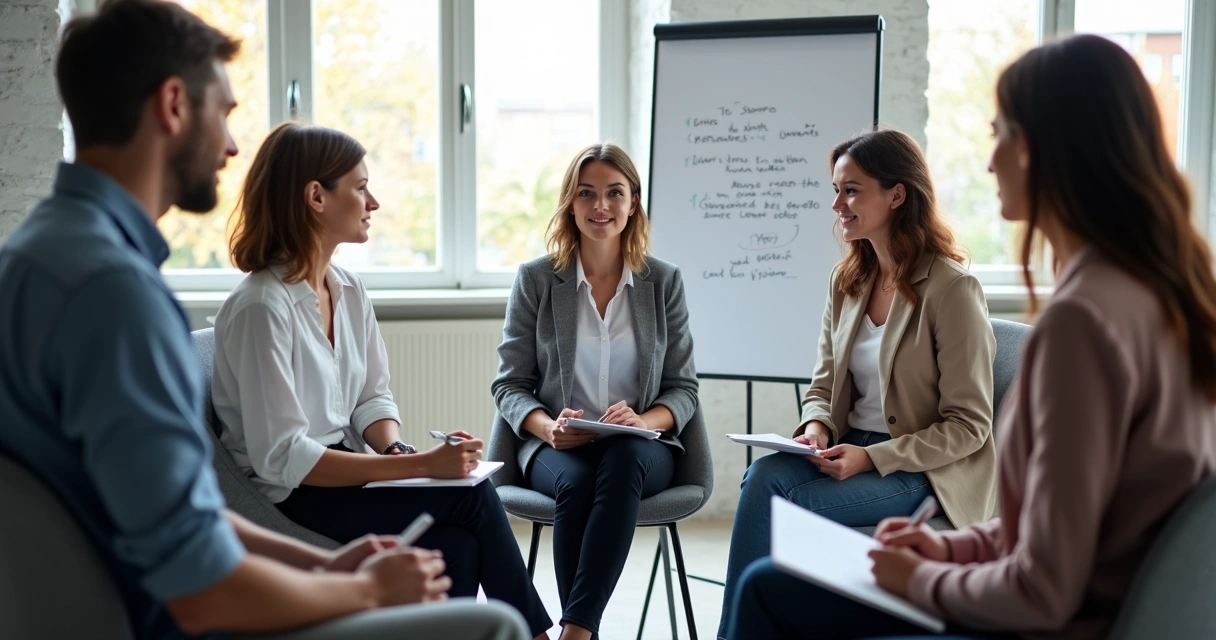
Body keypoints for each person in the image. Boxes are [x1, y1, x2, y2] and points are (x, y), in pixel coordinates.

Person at [0, 1, 529, 639]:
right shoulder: (115, 296)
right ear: (173, 105)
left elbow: (185, 516)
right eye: (223, 113)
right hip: (159, 620)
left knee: (456, 564)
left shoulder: (41, 254)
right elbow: (200, 587)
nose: (229, 146)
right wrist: (357, 588)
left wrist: (330, 565)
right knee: (493, 626)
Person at [726, 33, 1216, 640]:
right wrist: (946, 556)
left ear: (1045, 150)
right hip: (1074, 599)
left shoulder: (1080, 322)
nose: (989, 162)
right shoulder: (1155, 294)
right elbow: (1042, 525)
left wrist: (918, 579)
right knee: (769, 539)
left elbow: (1041, 589)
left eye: (1000, 135)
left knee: (768, 590)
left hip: (1051, 621)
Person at [210, 121, 552, 640]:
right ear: (316, 197)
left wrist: (394, 452)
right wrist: (421, 466)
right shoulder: (262, 307)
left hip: (345, 473)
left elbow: (372, 398)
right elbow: (281, 458)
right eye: (361, 187)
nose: (374, 202)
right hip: (291, 496)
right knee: (472, 496)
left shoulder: (347, 288)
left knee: (456, 546)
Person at [718, 128, 998, 637]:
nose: (837, 205)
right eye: (835, 189)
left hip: (921, 470)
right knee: (761, 478)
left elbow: (970, 426)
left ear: (896, 194)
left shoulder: (952, 290)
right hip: (848, 449)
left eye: (851, 190)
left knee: (785, 503)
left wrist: (872, 457)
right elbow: (823, 384)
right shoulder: (847, 281)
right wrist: (817, 426)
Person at [492, 142, 698, 640]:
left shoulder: (663, 282)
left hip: (641, 448)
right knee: (579, 483)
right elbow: (510, 384)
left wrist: (645, 423)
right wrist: (548, 427)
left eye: (614, 193)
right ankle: (583, 630)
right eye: (587, 194)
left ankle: (577, 631)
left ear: (633, 203)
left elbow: (683, 389)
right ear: (570, 203)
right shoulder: (537, 280)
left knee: (623, 456)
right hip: (558, 446)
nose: (600, 206)